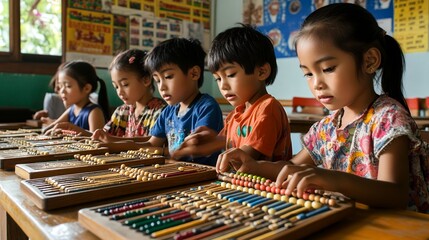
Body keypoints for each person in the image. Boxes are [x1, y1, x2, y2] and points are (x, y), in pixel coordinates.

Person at [216, 3, 429, 213]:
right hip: (348, 222)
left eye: (327, 68)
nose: (316, 83)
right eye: (308, 73)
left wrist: (334, 180)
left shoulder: (388, 119)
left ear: (369, 61)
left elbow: (395, 195)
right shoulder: (327, 128)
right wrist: (255, 166)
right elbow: (291, 166)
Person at [173, 24, 292, 162]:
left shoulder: (268, 109)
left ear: (261, 72)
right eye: (218, 78)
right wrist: (204, 142)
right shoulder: (236, 114)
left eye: (230, 74)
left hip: (264, 183)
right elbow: (224, 141)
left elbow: (245, 157)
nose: (223, 85)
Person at [96, 38, 224, 166]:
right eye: (157, 80)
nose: (161, 87)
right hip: (176, 173)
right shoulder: (168, 112)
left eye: (168, 77)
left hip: (203, 177)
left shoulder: (206, 107)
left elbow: (199, 146)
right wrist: (113, 144)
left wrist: (162, 151)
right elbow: (151, 144)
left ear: (194, 74)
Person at [92, 49, 166, 142]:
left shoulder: (160, 112)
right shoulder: (122, 111)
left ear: (146, 80)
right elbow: (104, 137)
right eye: (116, 87)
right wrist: (80, 132)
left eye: (125, 84)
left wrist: (113, 141)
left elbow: (151, 144)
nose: (119, 92)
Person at [43, 60, 110, 134]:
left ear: (86, 88)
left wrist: (74, 130)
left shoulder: (94, 111)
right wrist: (45, 132)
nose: (62, 91)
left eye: (68, 86)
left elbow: (98, 138)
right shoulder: (72, 109)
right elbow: (55, 125)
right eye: (60, 86)